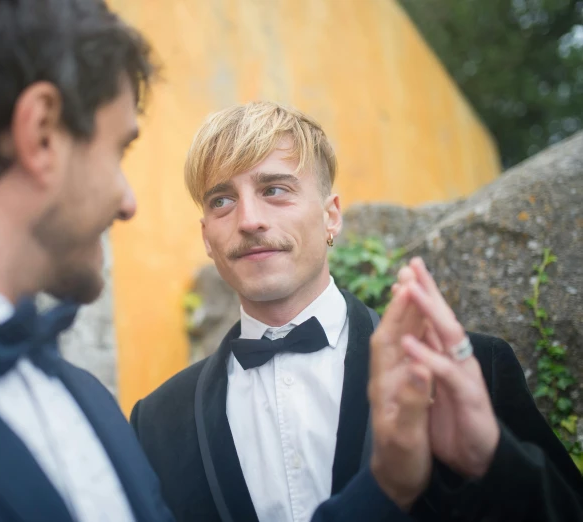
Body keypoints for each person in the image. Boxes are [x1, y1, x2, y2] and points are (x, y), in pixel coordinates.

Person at [0, 1, 444, 521]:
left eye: (274, 190)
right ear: (42, 133)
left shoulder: (89, 405)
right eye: (118, 150)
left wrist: (382, 490)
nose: (128, 200)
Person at [130, 101, 583, 522]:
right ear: (207, 236)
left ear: (331, 216)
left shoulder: (473, 370)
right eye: (221, 200)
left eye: (274, 189)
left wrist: (494, 459)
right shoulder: (156, 422)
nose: (249, 219)